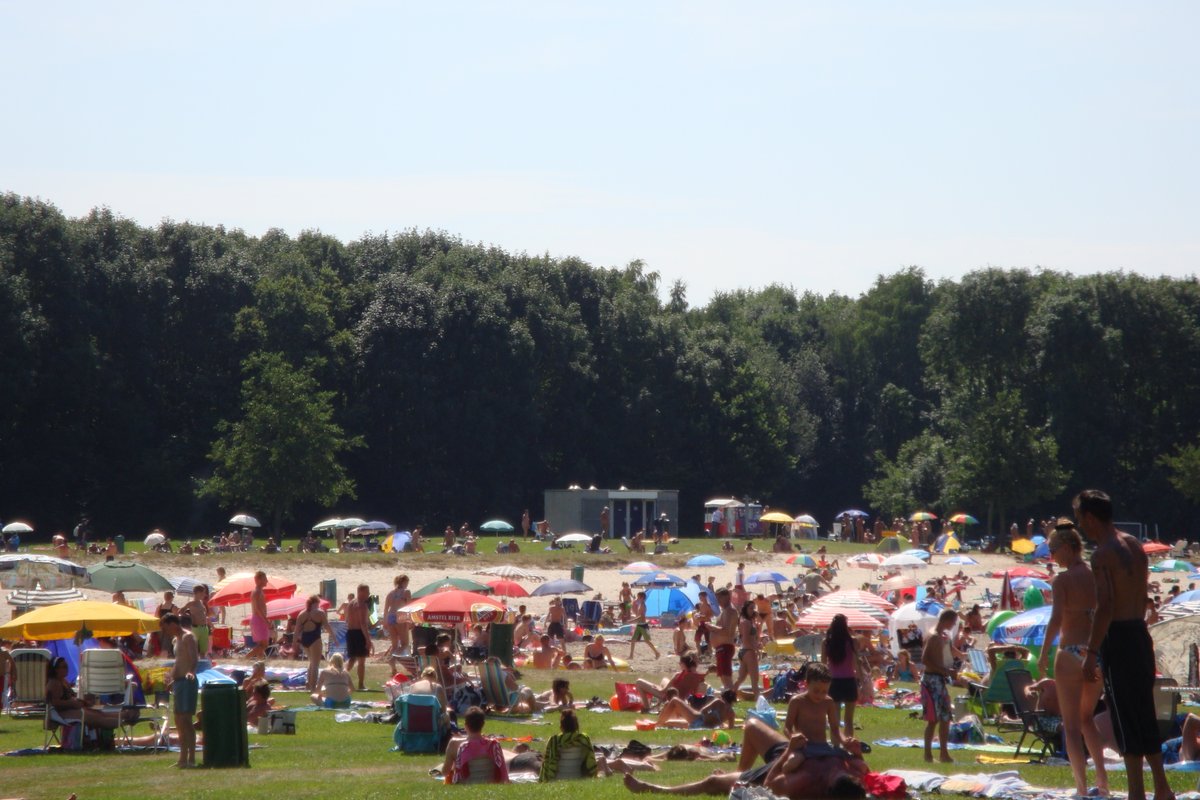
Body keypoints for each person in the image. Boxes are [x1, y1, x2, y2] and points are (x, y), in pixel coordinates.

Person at [1076, 489, 1171, 800]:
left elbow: (1105, 605)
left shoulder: (1101, 554)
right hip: (1140, 633)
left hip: (1118, 637)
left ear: (1090, 517)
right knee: (1144, 712)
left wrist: (1090, 653)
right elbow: (1140, 596)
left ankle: (1135, 793)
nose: (1081, 527)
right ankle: (1161, 787)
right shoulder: (1134, 545)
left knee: (1123, 716)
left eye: (1081, 520)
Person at [1037, 520, 1110, 798]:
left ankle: (1080, 787)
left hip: (1069, 653)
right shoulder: (1095, 575)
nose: (1052, 555)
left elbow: (1056, 620)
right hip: (1095, 653)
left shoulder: (1062, 580)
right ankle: (1103, 784)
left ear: (1068, 548)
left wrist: (1044, 653)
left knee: (1070, 725)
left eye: (1054, 549)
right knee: (1087, 719)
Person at [621, 716, 868, 798]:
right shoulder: (852, 775)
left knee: (712, 783)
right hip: (797, 751)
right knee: (750, 725)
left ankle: (654, 789)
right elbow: (866, 772)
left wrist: (785, 758)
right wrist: (855, 753)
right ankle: (739, 772)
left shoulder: (804, 781)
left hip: (784, 764)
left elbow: (772, 784)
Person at [44, 656, 130, 735]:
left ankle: (124, 715)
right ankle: (123, 718)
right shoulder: (54, 683)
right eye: (64, 667)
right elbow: (55, 703)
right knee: (99, 718)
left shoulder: (63, 681)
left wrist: (82, 701)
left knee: (99, 714)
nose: (67, 669)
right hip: (62, 714)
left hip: (71, 709)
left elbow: (71, 696)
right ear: (56, 669)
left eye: (66, 666)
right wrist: (72, 703)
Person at [161, 613, 199, 768]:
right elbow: (179, 661)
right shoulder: (176, 640)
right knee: (178, 720)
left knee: (186, 720)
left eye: (165, 627)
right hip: (179, 682)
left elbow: (193, 657)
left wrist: (191, 671)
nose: (165, 631)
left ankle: (190, 758)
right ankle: (182, 758)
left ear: (172, 624)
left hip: (187, 681)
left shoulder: (188, 637)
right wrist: (172, 678)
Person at [920, 609, 957, 763]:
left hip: (938, 679)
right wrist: (945, 671)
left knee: (945, 717)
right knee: (933, 719)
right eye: (953, 622)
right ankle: (928, 754)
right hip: (932, 680)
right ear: (947, 620)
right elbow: (925, 659)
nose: (954, 625)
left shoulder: (939, 635)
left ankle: (943, 753)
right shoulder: (934, 636)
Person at [442, 706, 509, 784]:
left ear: (465, 725)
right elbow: (502, 772)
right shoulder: (493, 745)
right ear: (483, 725)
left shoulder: (455, 744)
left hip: (465, 786)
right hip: (489, 784)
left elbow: (445, 772)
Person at [822, 614, 859, 737]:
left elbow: (823, 665)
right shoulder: (852, 642)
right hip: (849, 680)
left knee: (835, 720)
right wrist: (861, 681)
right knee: (849, 720)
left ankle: (836, 745)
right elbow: (856, 663)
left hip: (833, 682)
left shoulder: (826, 643)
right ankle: (848, 744)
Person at [539, 708, 597, 780]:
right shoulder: (583, 739)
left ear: (561, 726)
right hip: (577, 777)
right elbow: (591, 762)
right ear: (576, 725)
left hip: (556, 779)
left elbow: (547, 763)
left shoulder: (554, 741)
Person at [635, 653, 708, 710]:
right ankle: (658, 704)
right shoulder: (697, 677)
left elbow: (662, 691)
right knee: (664, 679)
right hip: (683, 699)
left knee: (639, 682)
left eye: (680, 663)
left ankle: (646, 708)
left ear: (684, 664)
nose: (679, 664)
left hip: (669, 696)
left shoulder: (678, 675)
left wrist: (655, 687)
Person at [295, 594, 334, 692]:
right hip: (315, 638)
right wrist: (334, 637)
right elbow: (327, 626)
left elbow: (296, 631)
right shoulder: (320, 613)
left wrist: (294, 643)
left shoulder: (301, 614)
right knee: (315, 664)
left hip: (305, 639)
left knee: (311, 662)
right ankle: (313, 687)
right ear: (316, 603)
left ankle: (309, 684)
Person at [656, 687, 737, 729]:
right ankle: (662, 723)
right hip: (703, 727)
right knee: (669, 722)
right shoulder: (731, 713)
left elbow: (703, 711)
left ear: (723, 697)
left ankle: (657, 724)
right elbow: (730, 728)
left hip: (698, 719)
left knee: (674, 700)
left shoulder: (719, 702)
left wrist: (709, 716)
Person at [346, 583, 373, 691]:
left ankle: (339, 677)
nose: (369, 594)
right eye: (367, 591)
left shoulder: (350, 603)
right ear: (361, 592)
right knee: (361, 661)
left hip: (350, 632)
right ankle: (361, 685)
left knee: (352, 659)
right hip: (359, 633)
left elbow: (347, 620)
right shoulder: (362, 605)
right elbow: (362, 623)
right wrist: (368, 639)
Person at [732, 601, 762, 701]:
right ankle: (759, 703)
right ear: (745, 609)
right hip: (748, 651)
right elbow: (745, 639)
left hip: (745, 651)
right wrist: (756, 649)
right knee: (755, 681)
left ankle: (730, 696)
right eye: (751, 608)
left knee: (741, 678)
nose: (753, 610)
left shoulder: (749, 621)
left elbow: (755, 637)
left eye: (754, 608)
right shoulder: (745, 622)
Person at [711, 588, 737, 691]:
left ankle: (730, 698)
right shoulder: (724, 611)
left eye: (719, 598)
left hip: (725, 647)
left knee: (726, 677)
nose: (718, 601)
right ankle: (728, 696)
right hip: (720, 648)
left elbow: (727, 632)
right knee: (723, 677)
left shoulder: (730, 611)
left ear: (727, 597)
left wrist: (711, 627)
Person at [383, 575, 410, 657]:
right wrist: (410, 621)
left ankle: (392, 660)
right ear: (404, 582)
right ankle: (395, 659)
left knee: (394, 645)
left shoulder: (390, 593)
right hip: (400, 616)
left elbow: (386, 609)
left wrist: (385, 622)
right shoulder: (406, 592)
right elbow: (409, 607)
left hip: (390, 617)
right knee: (404, 643)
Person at [181, 584, 210, 658]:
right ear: (197, 593)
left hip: (204, 627)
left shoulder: (201, 602)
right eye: (203, 593)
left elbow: (205, 614)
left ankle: (202, 663)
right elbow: (180, 611)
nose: (204, 594)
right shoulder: (191, 603)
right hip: (195, 628)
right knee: (194, 648)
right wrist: (189, 616)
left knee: (203, 649)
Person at [248, 571, 272, 659]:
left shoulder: (258, 591)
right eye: (265, 579)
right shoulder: (257, 592)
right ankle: (245, 658)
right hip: (259, 619)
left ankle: (260, 663)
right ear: (259, 580)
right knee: (264, 645)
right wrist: (266, 621)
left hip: (258, 619)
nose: (267, 581)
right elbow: (258, 608)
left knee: (260, 645)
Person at [629, 591, 660, 659]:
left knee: (647, 641)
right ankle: (631, 655)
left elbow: (641, 616)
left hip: (643, 625)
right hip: (639, 625)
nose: (637, 599)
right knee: (633, 640)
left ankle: (657, 653)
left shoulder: (643, 606)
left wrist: (631, 621)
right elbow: (638, 614)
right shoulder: (640, 605)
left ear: (642, 598)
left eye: (638, 597)